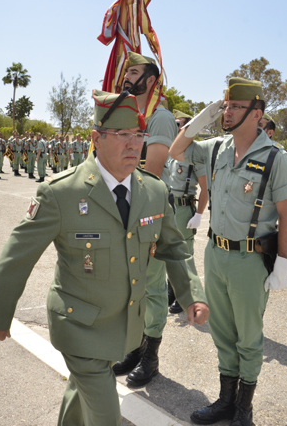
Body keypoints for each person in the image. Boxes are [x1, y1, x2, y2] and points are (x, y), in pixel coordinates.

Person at [0, 89, 209, 426]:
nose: (133, 144)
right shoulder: (62, 192)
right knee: (105, 415)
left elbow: (174, 248)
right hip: (78, 328)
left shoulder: (154, 191)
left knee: (80, 396)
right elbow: (18, 254)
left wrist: (192, 295)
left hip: (122, 326)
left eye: (138, 135)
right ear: (96, 138)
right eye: (122, 134)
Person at [170, 77, 287, 425]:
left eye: (236, 107)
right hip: (216, 253)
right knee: (222, 332)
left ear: (257, 113)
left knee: (248, 337)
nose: (227, 112)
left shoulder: (275, 157)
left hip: (249, 259)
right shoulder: (215, 148)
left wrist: (284, 262)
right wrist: (201, 120)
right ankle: (226, 400)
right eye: (225, 106)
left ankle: (244, 407)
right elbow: (176, 151)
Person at [111, 51, 179, 387]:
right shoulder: (126, 114)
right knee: (131, 286)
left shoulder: (160, 118)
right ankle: (135, 348)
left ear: (150, 80)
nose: (126, 77)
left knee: (151, 287)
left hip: (148, 212)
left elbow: (151, 173)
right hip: (124, 207)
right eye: (126, 72)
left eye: (134, 72)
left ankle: (150, 357)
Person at [165, 109, 209, 314]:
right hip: (168, 205)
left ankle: (188, 296)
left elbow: (205, 188)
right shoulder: (171, 152)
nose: (175, 127)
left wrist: (199, 214)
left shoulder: (194, 154)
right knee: (169, 250)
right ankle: (172, 290)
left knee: (185, 254)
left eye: (178, 124)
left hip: (183, 208)